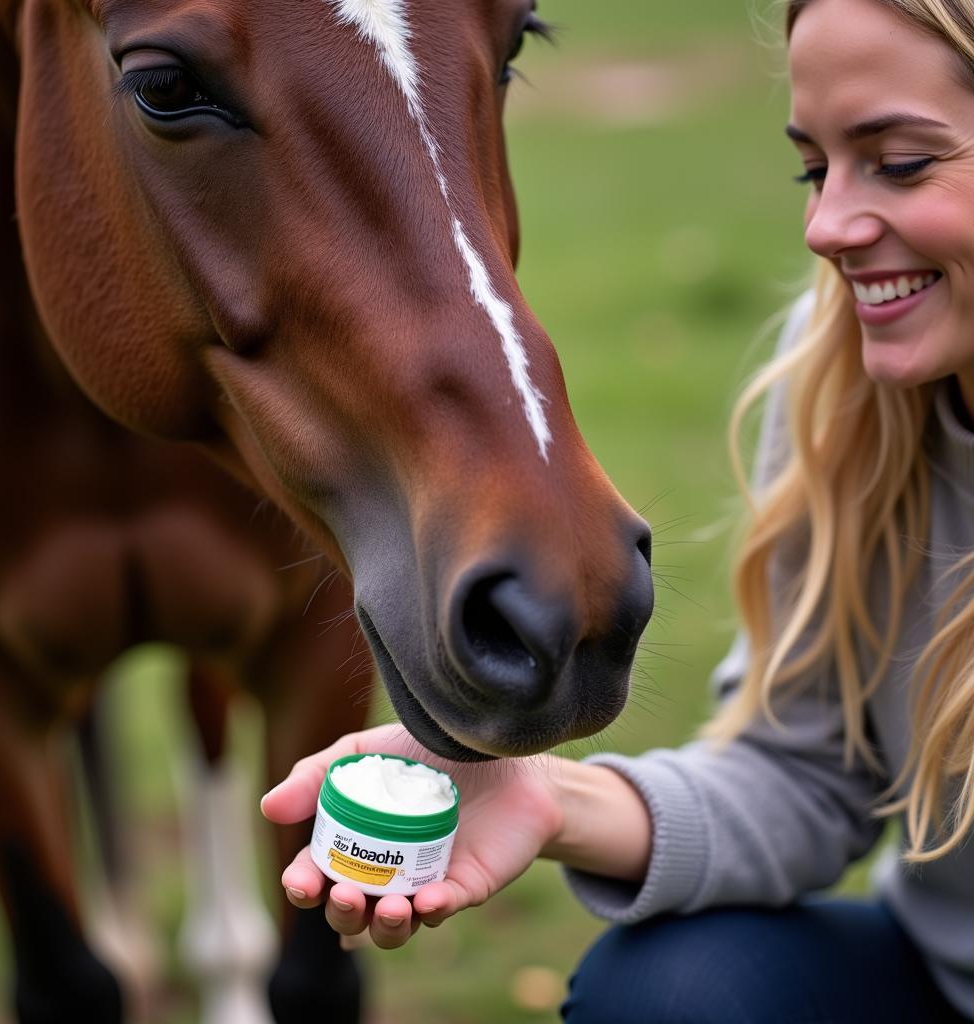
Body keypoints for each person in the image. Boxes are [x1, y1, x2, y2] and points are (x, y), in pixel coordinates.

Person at [261, 0, 974, 1018]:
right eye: (813, 169)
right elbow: (807, 778)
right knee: (668, 991)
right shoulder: (841, 394)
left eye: (899, 162)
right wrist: (543, 798)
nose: (826, 228)